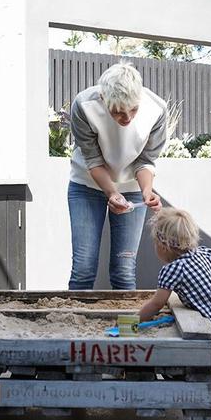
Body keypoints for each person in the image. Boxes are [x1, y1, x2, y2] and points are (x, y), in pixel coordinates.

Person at [138, 207, 211, 420]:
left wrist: (136, 320)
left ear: (163, 246)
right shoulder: (204, 253)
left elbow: (156, 303)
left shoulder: (172, 269)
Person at [68, 62, 167, 290]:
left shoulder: (157, 109)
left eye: (133, 109)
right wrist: (111, 192)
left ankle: (127, 326)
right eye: (118, 111)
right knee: (83, 268)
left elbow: (145, 160)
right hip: (86, 185)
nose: (127, 117)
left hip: (132, 187)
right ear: (103, 98)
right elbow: (93, 159)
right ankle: (75, 325)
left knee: (124, 271)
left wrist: (146, 191)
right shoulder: (84, 105)